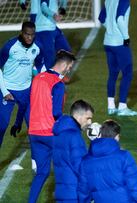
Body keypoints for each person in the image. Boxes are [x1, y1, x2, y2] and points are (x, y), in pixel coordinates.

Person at [28, 50, 76, 203]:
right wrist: (70, 122)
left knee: (41, 173)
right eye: (70, 67)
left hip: (34, 132)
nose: (69, 70)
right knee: (71, 167)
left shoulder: (37, 78)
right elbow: (56, 112)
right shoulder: (58, 84)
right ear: (65, 64)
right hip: (49, 133)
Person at [78, 119, 137, 202]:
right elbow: (135, 187)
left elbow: (83, 191)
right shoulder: (124, 156)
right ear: (116, 136)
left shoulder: (85, 161)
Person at [0, 21, 43, 147]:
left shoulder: (38, 46)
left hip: (26, 92)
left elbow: (40, 66)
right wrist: (5, 91)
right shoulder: (10, 46)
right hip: (8, 91)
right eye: (27, 34)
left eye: (32, 35)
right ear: (21, 33)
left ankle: (36, 164)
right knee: (1, 127)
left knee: (34, 126)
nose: (30, 38)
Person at [98, 0, 137, 116]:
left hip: (108, 42)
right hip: (119, 43)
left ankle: (111, 106)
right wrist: (126, 37)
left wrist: (111, 29)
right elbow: (119, 19)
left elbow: (101, 18)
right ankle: (122, 107)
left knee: (112, 74)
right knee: (127, 74)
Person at [53, 100, 94, 202]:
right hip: (74, 193)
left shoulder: (58, 133)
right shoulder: (74, 137)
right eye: (88, 118)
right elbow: (82, 169)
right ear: (79, 116)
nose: (90, 122)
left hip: (61, 191)